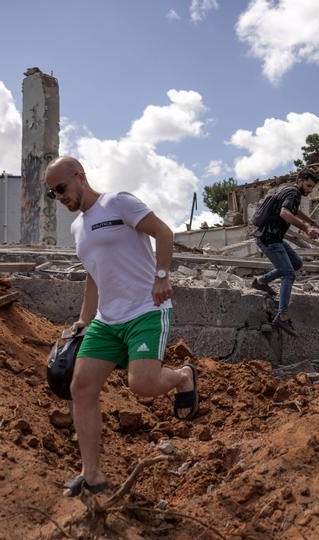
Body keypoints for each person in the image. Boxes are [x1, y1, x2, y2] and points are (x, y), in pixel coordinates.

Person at [43, 156, 198, 497]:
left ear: (80, 176)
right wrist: (84, 319)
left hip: (146, 308)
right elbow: (93, 275)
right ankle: (92, 475)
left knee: (142, 385)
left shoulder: (118, 202)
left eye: (61, 188)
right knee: (81, 388)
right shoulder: (77, 228)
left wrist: (162, 276)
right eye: (53, 193)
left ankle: (183, 376)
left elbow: (163, 232)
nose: (59, 196)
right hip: (107, 320)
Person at [251, 168, 319, 336]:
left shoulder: (288, 190)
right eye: (308, 186)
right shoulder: (293, 193)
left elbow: (294, 210)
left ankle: (261, 281)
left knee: (297, 263)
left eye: (312, 187)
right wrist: (307, 228)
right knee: (289, 275)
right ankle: (282, 316)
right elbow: (285, 213)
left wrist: (312, 222)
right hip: (269, 239)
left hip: (273, 237)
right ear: (300, 180)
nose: (310, 190)